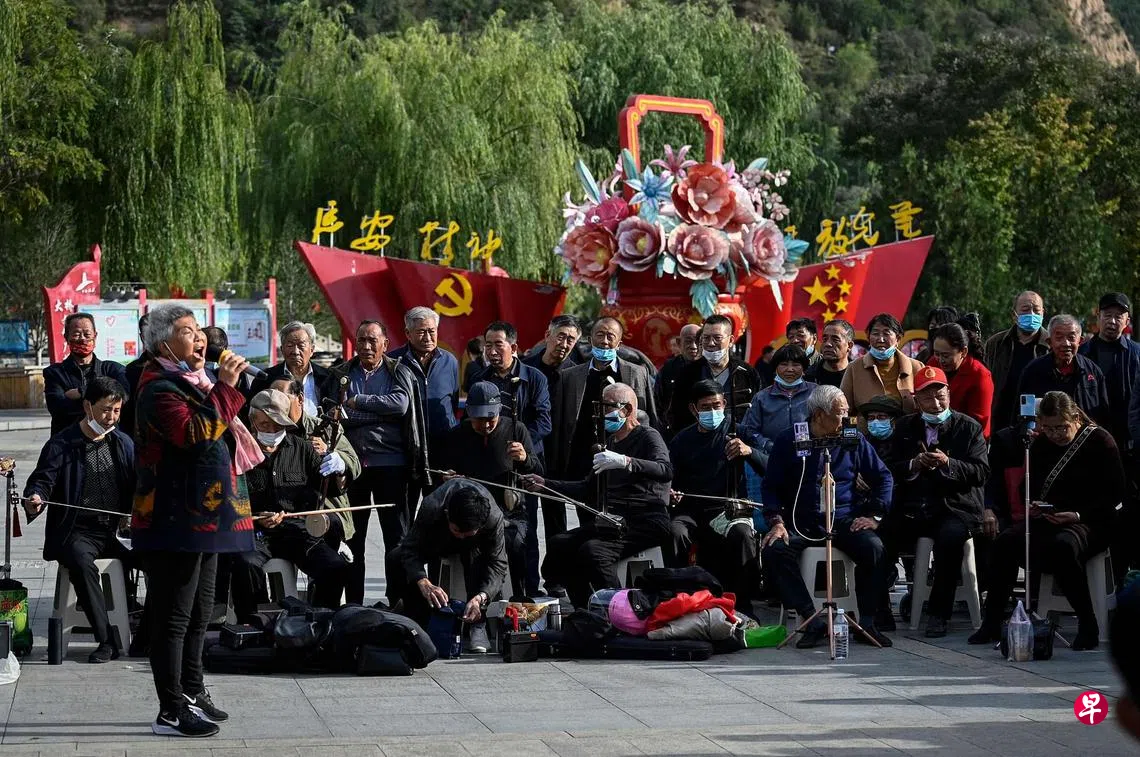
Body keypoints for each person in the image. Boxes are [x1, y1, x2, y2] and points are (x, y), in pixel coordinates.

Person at [132, 304, 257, 737]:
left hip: (207, 516)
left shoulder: (194, 380)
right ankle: (170, 710)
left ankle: (192, 689)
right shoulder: (157, 388)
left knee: (202, 610)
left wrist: (223, 388)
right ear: (163, 343)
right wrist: (225, 388)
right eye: (187, 331)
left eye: (199, 329)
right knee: (173, 616)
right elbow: (195, 434)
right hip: (173, 518)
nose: (199, 337)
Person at [970, 392, 1124, 650]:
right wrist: (1036, 506)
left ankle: (1088, 623)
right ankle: (992, 621)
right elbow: (1027, 487)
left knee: (1063, 547)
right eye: (1049, 428)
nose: (1055, 434)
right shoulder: (1041, 444)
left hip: (1091, 519)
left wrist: (1077, 515)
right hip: (1051, 516)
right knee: (1006, 542)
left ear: (1075, 419)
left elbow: (1115, 494)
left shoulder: (1100, 441)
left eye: (1061, 427)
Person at [760, 385, 894, 648]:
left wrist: (875, 516)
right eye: (840, 414)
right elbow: (770, 486)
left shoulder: (852, 437)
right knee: (775, 550)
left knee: (874, 548)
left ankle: (867, 621)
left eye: (847, 413)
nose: (845, 419)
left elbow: (883, 477)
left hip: (843, 519)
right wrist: (776, 521)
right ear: (819, 415)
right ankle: (811, 619)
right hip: (801, 521)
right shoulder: (790, 440)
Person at [23, 377, 135, 663]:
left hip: (117, 530)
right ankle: (106, 640)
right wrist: (36, 497)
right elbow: (42, 480)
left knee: (162, 558)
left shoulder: (122, 442)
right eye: (105, 410)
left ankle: (147, 636)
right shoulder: (62, 444)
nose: (111, 417)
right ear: (87, 406)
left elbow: (139, 484)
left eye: (117, 411)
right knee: (82, 565)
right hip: (78, 531)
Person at [533, 383, 672, 608]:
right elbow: (587, 488)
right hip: (615, 520)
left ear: (627, 409)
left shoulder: (648, 436)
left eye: (607, 407)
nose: (601, 414)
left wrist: (626, 462)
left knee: (594, 552)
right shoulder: (609, 443)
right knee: (560, 544)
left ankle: (620, 609)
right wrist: (545, 484)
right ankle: (584, 608)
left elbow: (665, 470)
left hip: (646, 519)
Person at [876, 366, 989, 638]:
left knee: (949, 540)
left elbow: (981, 472)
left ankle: (939, 614)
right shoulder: (904, 427)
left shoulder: (969, 427)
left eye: (940, 396)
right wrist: (913, 464)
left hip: (954, 507)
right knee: (880, 536)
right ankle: (879, 610)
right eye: (927, 397)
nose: (936, 403)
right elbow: (887, 468)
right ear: (916, 401)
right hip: (914, 507)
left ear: (949, 394)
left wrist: (948, 463)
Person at [325, 320, 428, 607]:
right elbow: (335, 413)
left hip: (392, 465)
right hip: (352, 466)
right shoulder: (342, 373)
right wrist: (378, 413)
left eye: (373, 340)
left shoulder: (398, 371)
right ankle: (354, 604)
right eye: (361, 340)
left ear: (385, 344)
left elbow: (400, 405)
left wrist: (358, 402)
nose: (367, 346)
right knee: (352, 538)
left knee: (396, 538)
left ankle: (397, 601)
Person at [232, 390, 351, 617]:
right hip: (254, 533)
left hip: (295, 530)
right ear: (252, 421)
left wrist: (339, 469)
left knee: (334, 566)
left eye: (278, 425)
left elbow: (332, 488)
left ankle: (320, 620)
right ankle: (254, 621)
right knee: (245, 564)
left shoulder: (301, 447)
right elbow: (230, 498)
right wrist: (257, 517)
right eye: (265, 425)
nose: (271, 431)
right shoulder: (239, 450)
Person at [464, 321, 551, 594]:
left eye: (498, 345)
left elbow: (544, 422)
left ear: (513, 347)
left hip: (525, 465)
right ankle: (493, 589)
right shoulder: (480, 379)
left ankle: (528, 589)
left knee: (525, 531)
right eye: (487, 345)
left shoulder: (534, 378)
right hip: (490, 466)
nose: (491, 351)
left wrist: (520, 444)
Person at [667, 380, 761, 617]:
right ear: (694, 409)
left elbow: (771, 465)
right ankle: (681, 599)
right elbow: (669, 478)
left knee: (742, 534)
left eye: (716, 405)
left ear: (724, 404)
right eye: (705, 407)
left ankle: (743, 605)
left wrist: (749, 451)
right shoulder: (681, 440)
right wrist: (672, 492)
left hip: (728, 510)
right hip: (691, 510)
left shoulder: (739, 432)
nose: (712, 411)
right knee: (675, 532)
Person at [439, 381, 539, 599]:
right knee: (469, 543)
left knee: (517, 542)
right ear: (469, 413)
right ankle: (476, 604)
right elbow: (443, 473)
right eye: (479, 419)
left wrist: (525, 459)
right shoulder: (457, 435)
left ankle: (519, 599)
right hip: (473, 512)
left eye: (490, 419)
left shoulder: (516, 429)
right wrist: (448, 478)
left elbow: (537, 472)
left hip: (509, 511)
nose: (485, 425)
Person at [388, 478, 507, 653]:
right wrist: (423, 581)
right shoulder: (432, 506)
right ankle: (414, 619)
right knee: (395, 558)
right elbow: (410, 548)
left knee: (476, 557)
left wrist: (482, 597)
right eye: (457, 530)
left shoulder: (493, 517)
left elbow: (498, 563)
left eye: (467, 533)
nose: (461, 536)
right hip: (438, 540)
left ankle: (477, 624)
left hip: (475, 546)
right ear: (447, 514)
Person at [547, 317, 658, 483]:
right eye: (599, 335)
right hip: (581, 462)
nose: (604, 341)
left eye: (610, 336)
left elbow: (649, 417)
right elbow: (558, 425)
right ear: (590, 340)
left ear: (619, 344)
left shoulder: (637, 373)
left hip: (624, 460)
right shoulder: (569, 376)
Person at [389, 307, 460, 504]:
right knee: (404, 512)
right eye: (421, 331)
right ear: (408, 333)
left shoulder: (449, 361)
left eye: (432, 331)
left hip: (441, 452)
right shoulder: (394, 362)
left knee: (439, 510)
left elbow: (452, 403)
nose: (428, 337)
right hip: (406, 453)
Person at [522, 314, 581, 549]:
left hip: (561, 456)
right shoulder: (526, 368)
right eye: (560, 337)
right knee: (524, 519)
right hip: (529, 451)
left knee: (556, 520)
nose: (564, 344)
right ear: (548, 336)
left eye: (570, 339)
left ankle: (557, 570)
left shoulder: (577, 374)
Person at [667, 315, 760, 436]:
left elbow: (757, 415)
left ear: (731, 340)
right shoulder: (687, 374)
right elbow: (676, 415)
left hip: (739, 440)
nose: (711, 343)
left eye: (717, 338)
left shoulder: (747, 373)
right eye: (706, 338)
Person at [44, 312, 130, 435]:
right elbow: (58, 408)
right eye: (76, 334)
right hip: (68, 440)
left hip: (107, 440)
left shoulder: (113, 370)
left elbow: (125, 396)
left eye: (87, 334)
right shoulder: (55, 373)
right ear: (66, 337)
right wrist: (103, 402)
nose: (83, 339)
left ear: (95, 336)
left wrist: (82, 392)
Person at [1017, 314, 1109, 426]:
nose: (1066, 344)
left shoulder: (1092, 371)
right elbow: (1023, 414)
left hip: (1084, 435)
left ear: (1080, 341)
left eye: (1071, 338)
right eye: (1059, 338)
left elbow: (1104, 415)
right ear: (1049, 342)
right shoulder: (1033, 371)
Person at [738, 345, 815, 475]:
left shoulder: (816, 392)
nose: (790, 369)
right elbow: (749, 430)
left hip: (809, 462)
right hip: (770, 461)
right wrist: (768, 445)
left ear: (804, 368)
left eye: (796, 365)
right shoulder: (761, 397)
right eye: (784, 364)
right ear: (775, 368)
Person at [842, 313, 923, 428]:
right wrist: (856, 431)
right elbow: (845, 411)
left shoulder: (916, 367)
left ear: (898, 339)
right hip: (866, 435)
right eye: (875, 333)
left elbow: (925, 407)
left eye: (886, 333)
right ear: (868, 338)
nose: (880, 339)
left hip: (906, 434)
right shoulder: (854, 368)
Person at [1082, 293, 1140, 452]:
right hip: (1089, 440)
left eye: (1118, 317)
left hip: (1128, 443)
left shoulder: (1136, 354)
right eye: (1107, 315)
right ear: (1098, 316)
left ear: (1127, 321)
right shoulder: (1082, 354)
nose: (1112, 321)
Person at [985, 291, 1049, 434]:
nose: (1031, 314)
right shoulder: (996, 343)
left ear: (1043, 313)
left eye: (1036, 310)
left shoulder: (1051, 344)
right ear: (1014, 315)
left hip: (1039, 425)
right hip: (1000, 421)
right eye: (1025, 310)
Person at [927, 322, 995, 438]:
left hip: (968, 438)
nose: (941, 360)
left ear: (963, 352)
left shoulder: (980, 375)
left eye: (946, 356)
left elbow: (979, 423)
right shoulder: (933, 364)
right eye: (937, 354)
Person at [250, 321, 331, 417]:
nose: (295, 351)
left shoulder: (328, 377)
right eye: (290, 345)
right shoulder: (265, 378)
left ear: (312, 350)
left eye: (301, 346)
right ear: (282, 349)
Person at [655, 323, 702, 432]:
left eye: (698, 342)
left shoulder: (709, 367)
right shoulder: (669, 368)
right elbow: (658, 400)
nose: (694, 346)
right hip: (675, 429)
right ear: (679, 343)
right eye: (688, 341)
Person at [122, 313, 151, 437]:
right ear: (142, 337)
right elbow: (127, 411)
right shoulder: (132, 370)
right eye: (148, 334)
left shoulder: (179, 366)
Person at [807, 319, 854, 388]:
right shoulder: (808, 377)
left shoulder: (859, 376)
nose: (828, 344)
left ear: (849, 346)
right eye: (825, 339)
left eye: (835, 340)